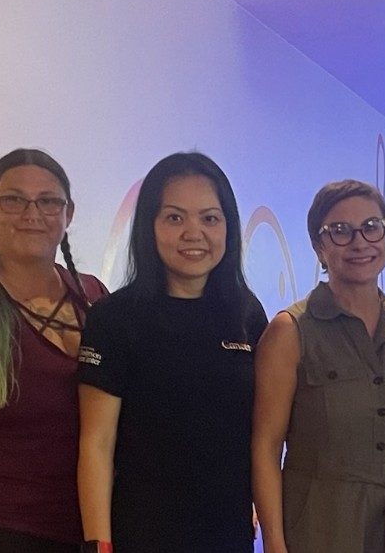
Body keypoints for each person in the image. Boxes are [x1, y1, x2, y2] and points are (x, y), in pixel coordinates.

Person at [78, 152, 267, 552]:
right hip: (142, 533)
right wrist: (98, 544)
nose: (193, 233)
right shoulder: (114, 317)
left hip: (227, 534)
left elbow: (262, 437)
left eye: (210, 218)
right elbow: (97, 443)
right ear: (149, 226)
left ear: (228, 227)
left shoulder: (246, 314)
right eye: (174, 217)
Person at [251, 180, 385, 553]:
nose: (359, 242)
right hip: (324, 528)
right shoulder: (290, 331)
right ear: (319, 247)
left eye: (372, 227)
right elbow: (266, 447)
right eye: (340, 231)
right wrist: (274, 541)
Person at [0, 149, 107, 553]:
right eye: (14, 199)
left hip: (92, 525)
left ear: (68, 213)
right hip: (2, 527)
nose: (31, 213)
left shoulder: (93, 296)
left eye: (48, 201)